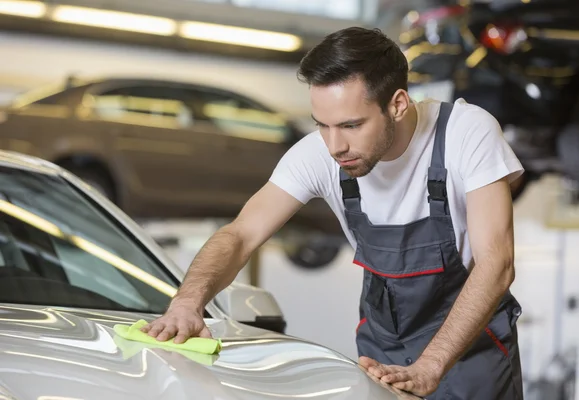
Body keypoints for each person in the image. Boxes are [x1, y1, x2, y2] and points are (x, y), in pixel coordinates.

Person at [141, 27, 525, 399]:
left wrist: (430, 365)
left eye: (351, 125)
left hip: (471, 355)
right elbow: (241, 235)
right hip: (383, 355)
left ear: (398, 104)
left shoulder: (465, 134)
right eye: (321, 125)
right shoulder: (320, 154)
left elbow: (496, 263)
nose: (335, 146)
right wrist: (187, 303)